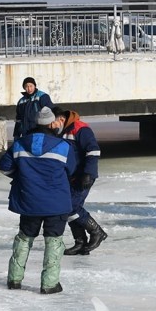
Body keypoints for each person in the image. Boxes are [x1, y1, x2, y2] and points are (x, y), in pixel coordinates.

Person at [0, 106, 76, 294]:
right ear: (51, 123)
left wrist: (22, 177)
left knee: (24, 238)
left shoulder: (19, 144)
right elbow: (71, 170)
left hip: (29, 201)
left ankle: (14, 279)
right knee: (54, 241)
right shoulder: (64, 147)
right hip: (56, 203)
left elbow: (4, 167)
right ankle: (49, 284)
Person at [53, 107, 107, 255]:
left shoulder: (81, 129)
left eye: (53, 122)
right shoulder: (62, 132)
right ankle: (80, 242)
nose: (52, 126)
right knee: (68, 208)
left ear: (61, 119)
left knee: (71, 206)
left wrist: (88, 173)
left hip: (83, 176)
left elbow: (93, 151)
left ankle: (97, 232)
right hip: (70, 176)